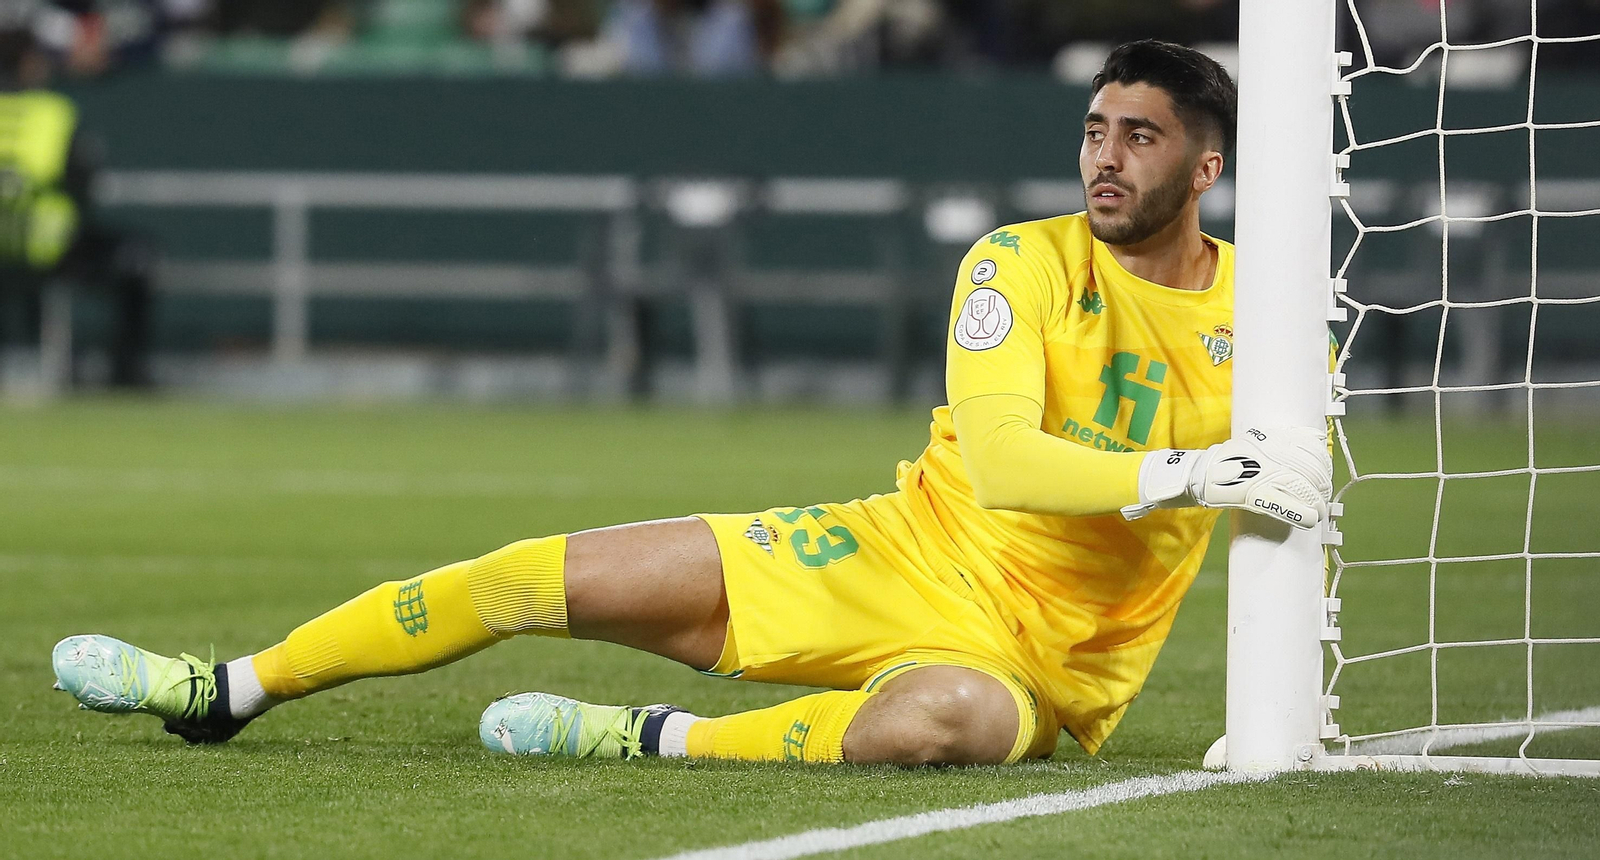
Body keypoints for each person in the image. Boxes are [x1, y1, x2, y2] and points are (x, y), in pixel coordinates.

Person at [51, 40, 1332, 766]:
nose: (1105, 157)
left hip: (1042, 660)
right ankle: (230, 685)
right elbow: (1000, 458)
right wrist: (1180, 472)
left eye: (1140, 137)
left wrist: (1270, 709)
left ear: (1206, 166)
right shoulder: (1019, 260)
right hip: (895, 552)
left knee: (933, 722)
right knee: (526, 576)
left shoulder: (1270, 317)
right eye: (1095, 130)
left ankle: (653, 737)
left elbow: (1299, 489)